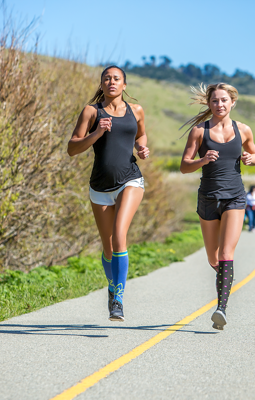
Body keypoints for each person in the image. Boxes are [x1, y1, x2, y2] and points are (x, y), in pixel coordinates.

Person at [67, 66, 150, 321]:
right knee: (108, 248)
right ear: (102, 84)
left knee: (119, 235)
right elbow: (72, 148)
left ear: (124, 85)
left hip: (130, 180)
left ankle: (118, 300)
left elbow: (142, 134)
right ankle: (112, 287)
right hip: (100, 187)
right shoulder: (92, 111)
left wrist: (142, 147)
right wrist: (98, 132)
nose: (111, 82)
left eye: (116, 79)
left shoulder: (136, 111)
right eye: (107, 78)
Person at [180, 83, 255, 330]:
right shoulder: (199, 132)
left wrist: (250, 159)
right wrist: (202, 160)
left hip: (235, 198)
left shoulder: (243, 130)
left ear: (232, 102)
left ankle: (221, 309)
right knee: (214, 257)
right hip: (207, 199)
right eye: (215, 101)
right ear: (209, 103)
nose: (220, 105)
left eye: (224, 100)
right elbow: (184, 165)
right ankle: (221, 279)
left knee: (227, 254)